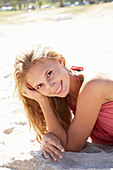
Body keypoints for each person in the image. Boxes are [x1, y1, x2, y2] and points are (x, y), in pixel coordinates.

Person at [14, 44, 113, 162]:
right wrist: (48, 134)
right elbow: (63, 142)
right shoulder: (64, 94)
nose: (51, 86)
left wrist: (43, 101)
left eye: (49, 73)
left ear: (60, 61)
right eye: (40, 85)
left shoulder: (93, 85)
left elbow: (71, 146)